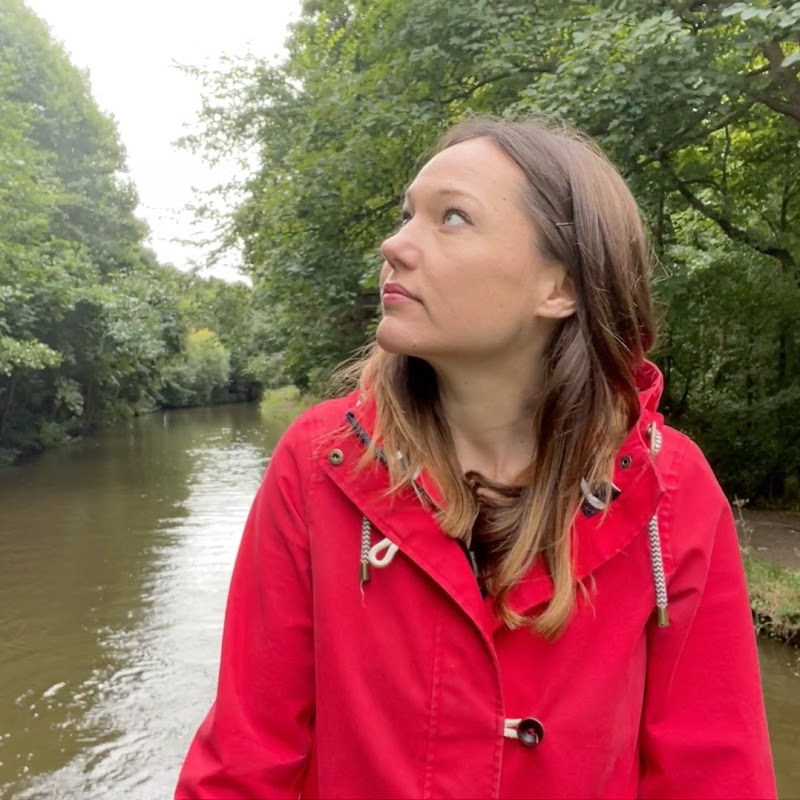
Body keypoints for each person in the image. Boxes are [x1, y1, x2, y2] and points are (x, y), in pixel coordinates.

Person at [175, 117, 777, 799]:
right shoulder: (320, 466)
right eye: (407, 216)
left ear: (561, 288)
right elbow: (245, 763)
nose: (394, 244)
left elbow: (714, 776)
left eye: (451, 218)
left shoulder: (671, 493)